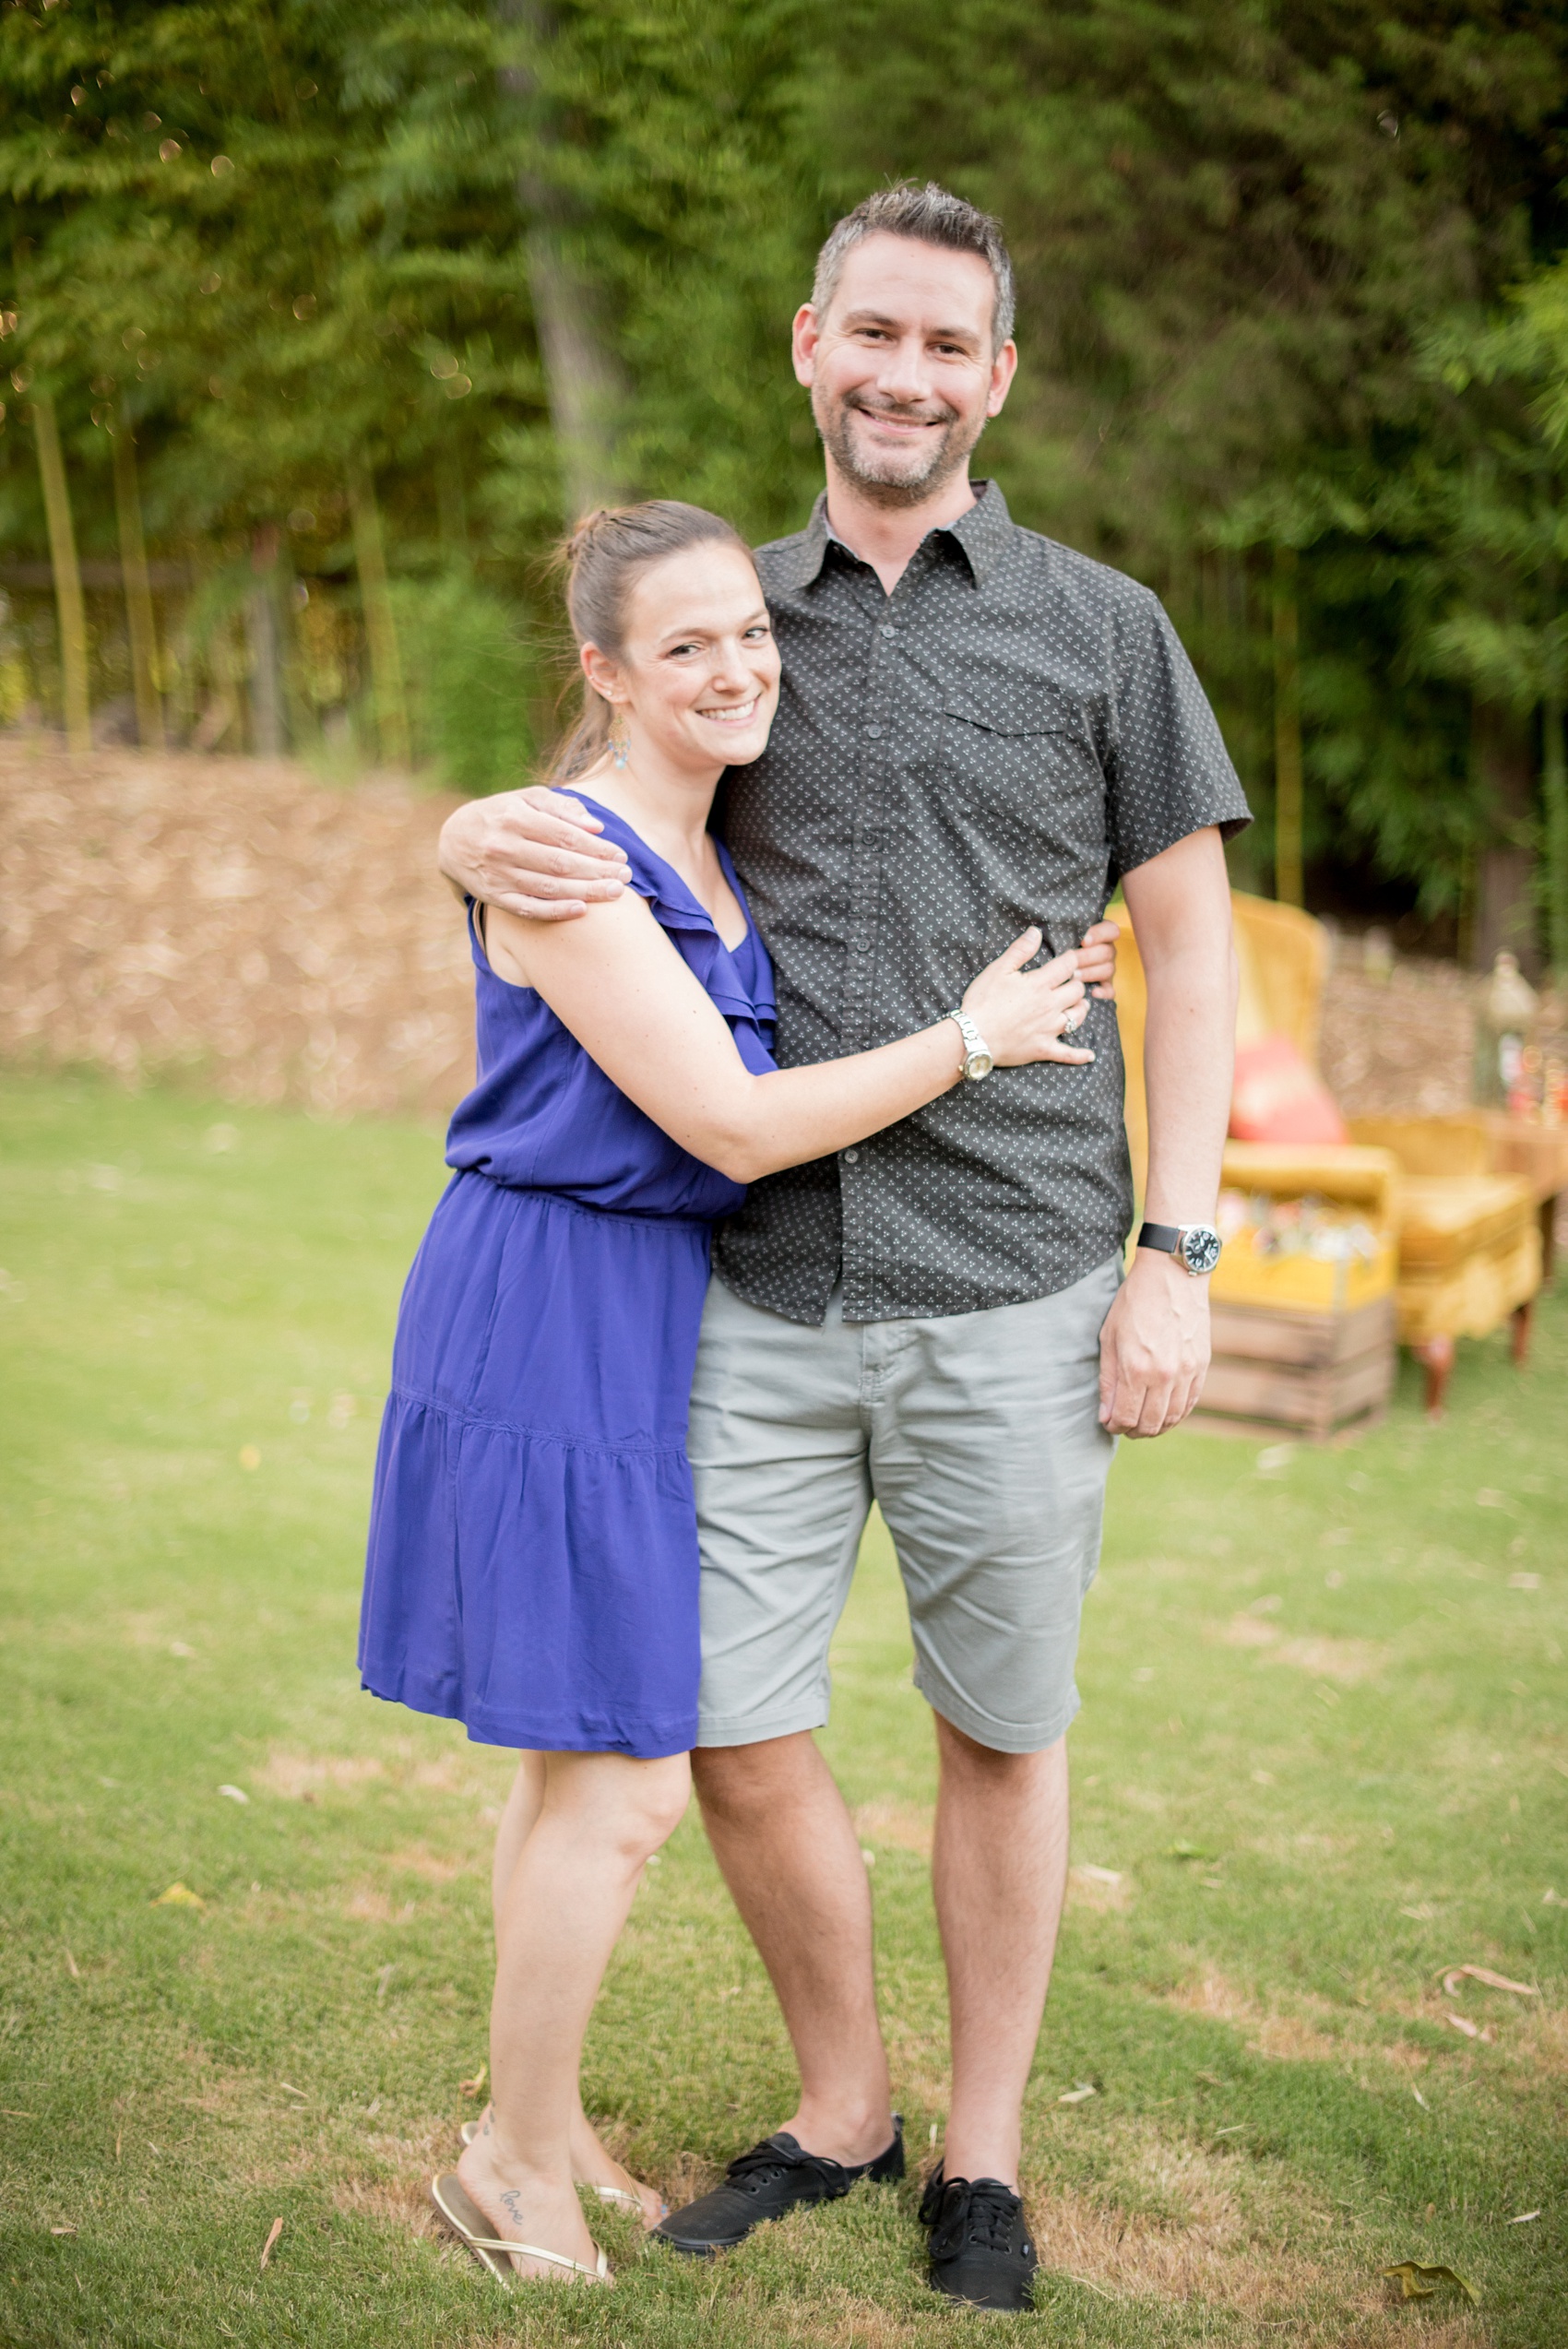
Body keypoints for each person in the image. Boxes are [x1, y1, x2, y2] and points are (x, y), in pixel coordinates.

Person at [438, 183, 1249, 2314]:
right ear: (810, 342)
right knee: (722, 1724)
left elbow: (1192, 950)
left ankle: (977, 2156)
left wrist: (1180, 1244)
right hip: (756, 1279)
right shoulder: (731, 616)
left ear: (1000, 375)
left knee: (1000, 1724)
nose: (906, 376)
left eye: (948, 347)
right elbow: (588, 819)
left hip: (1021, 1275)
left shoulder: (1106, 627)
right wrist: (457, 832)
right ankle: (839, 2102)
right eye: (871, 334)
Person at [360, 497, 1114, 2290]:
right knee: (620, 1778)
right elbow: (728, 1122)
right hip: (551, 1305)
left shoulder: (698, 839)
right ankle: (506, 2175)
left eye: (751, 635)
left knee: (571, 1768)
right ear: (605, 669)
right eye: (683, 643)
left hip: (634, 1307)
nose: (735, 667)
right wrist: (973, 1041)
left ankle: (528, 2129)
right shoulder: (573, 853)